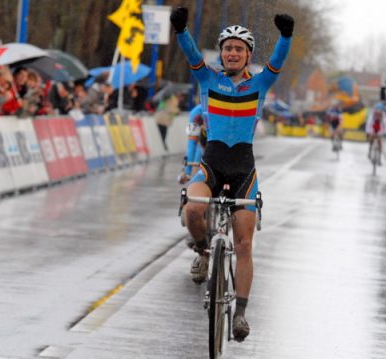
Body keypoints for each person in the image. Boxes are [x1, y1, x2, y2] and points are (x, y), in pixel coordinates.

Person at [170, 6, 293, 341]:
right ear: (221, 54)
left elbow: (278, 62)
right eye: (228, 48)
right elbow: (192, 53)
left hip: (244, 170)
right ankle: (203, 251)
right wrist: (181, 30)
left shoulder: (261, 82)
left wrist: (286, 36)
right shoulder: (208, 79)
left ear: (248, 55)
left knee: (244, 244)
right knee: (193, 208)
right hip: (211, 163)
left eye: (239, 49)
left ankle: (239, 314)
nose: (233, 53)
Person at [178, 104, 206, 184]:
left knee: (193, 143)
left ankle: (188, 173)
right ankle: (193, 172)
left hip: (197, 113)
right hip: (203, 113)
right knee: (197, 143)